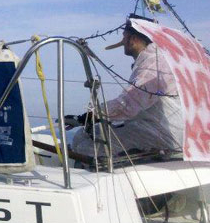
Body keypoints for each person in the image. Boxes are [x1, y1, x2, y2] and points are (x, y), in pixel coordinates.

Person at [71, 15, 183, 158]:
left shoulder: (153, 63)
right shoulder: (156, 58)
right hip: (154, 127)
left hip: (161, 135)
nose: (122, 42)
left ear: (133, 39)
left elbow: (129, 104)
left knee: (84, 146)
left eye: (124, 37)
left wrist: (90, 116)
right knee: (84, 134)